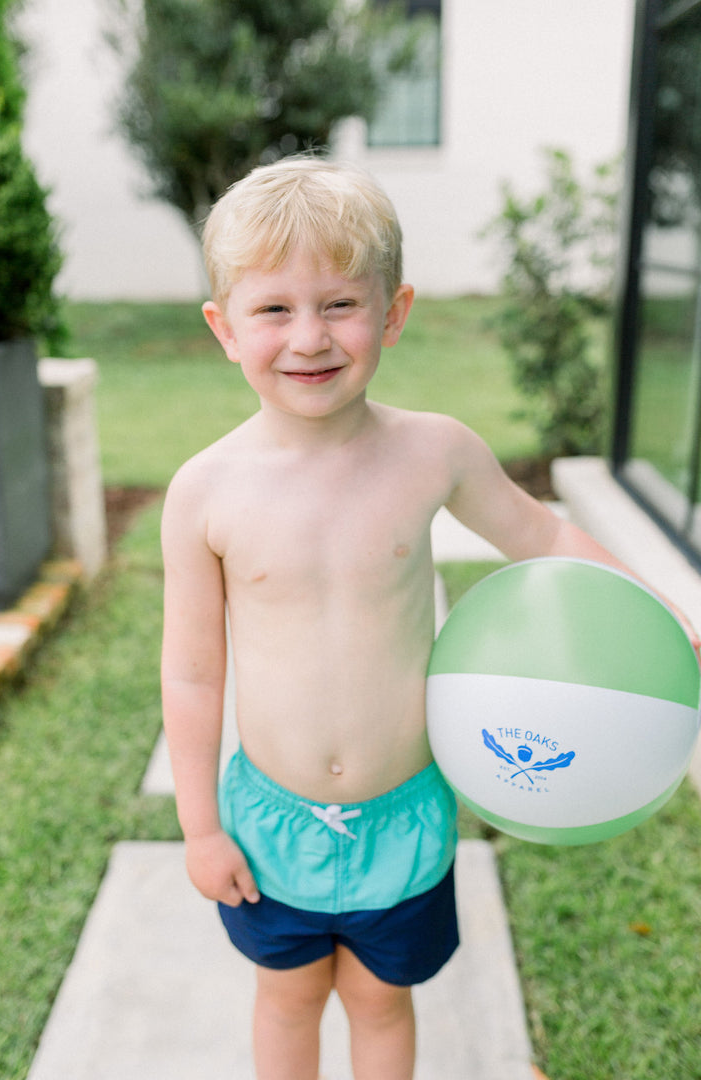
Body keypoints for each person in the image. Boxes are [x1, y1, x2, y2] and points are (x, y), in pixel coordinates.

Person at [160, 154, 697, 1080]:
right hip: (267, 820)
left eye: (340, 303)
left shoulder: (432, 453)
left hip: (405, 816)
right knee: (287, 999)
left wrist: (655, 610)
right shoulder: (204, 492)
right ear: (224, 327)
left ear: (393, 312)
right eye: (275, 310)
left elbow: (541, 533)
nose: (310, 337)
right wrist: (202, 828)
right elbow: (193, 672)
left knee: (379, 1000)